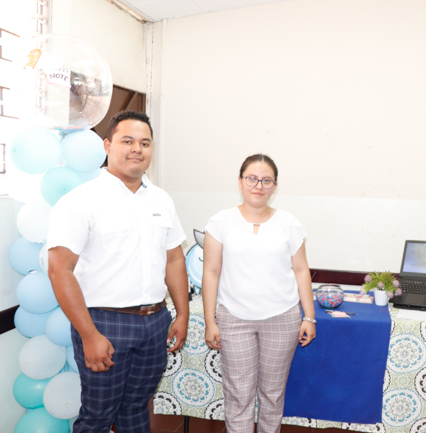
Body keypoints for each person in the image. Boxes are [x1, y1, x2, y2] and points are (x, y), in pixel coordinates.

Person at [48, 110, 189, 433]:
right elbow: (60, 271)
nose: (136, 149)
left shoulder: (161, 200)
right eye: (128, 141)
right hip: (104, 324)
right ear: (108, 146)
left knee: (136, 409)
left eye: (145, 143)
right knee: (98, 415)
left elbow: (174, 260)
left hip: (155, 323)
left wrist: (180, 314)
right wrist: (89, 335)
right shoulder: (81, 201)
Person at [202, 153, 316, 433]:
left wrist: (309, 317)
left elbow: (301, 270)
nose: (258, 185)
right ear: (240, 182)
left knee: (272, 393)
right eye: (252, 178)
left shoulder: (288, 223)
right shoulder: (220, 222)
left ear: (275, 186)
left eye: (267, 180)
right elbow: (211, 272)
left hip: (282, 318)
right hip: (234, 318)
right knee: (238, 393)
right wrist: (210, 321)